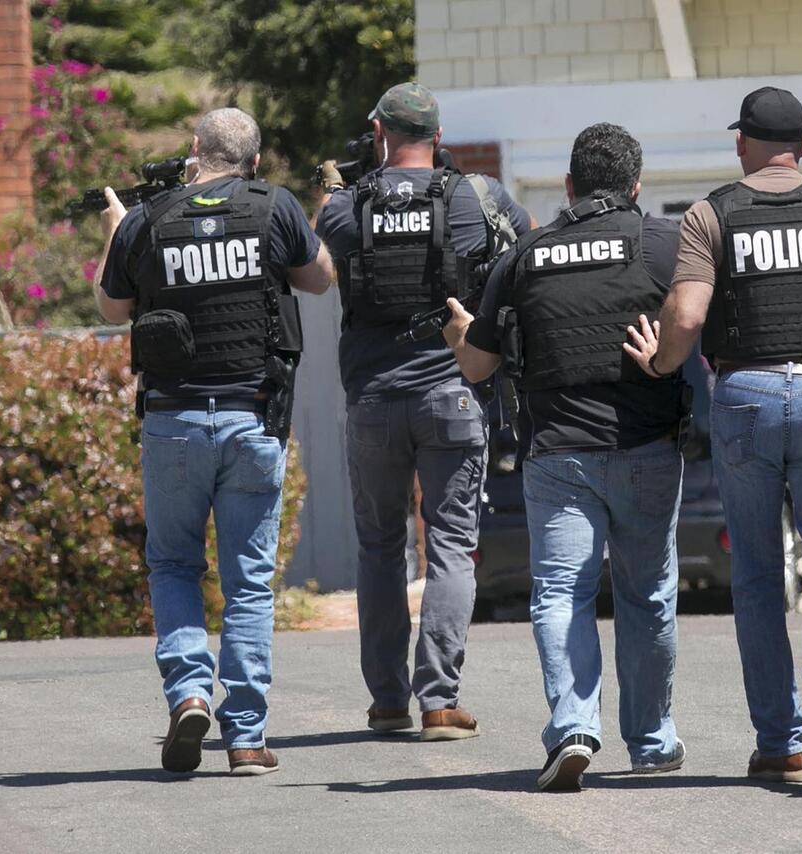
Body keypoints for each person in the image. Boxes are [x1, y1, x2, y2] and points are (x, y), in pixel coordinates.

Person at [623, 87, 802, 795]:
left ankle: (779, 744)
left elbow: (686, 316)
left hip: (746, 398)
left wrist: (659, 362)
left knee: (754, 577)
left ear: (741, 143)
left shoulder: (708, 214)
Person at [444, 123, 688, 791]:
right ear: (635, 187)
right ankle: (652, 741)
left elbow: (477, 364)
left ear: (570, 185)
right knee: (648, 597)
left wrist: (457, 326)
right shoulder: (665, 244)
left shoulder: (524, 256)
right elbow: (703, 324)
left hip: (556, 454)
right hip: (646, 448)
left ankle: (575, 726)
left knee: (560, 594)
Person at [93, 107, 334, 777]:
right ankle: (248, 739)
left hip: (172, 422)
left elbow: (112, 309)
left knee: (173, 566)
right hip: (253, 420)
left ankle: (189, 693)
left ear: (195, 150)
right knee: (248, 584)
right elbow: (321, 278)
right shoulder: (275, 207)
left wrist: (115, 238)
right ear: (253, 162)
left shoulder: (148, 219)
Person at [314, 82, 533, 740]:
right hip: (452, 394)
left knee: (380, 549)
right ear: (438, 139)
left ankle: (387, 701)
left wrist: (343, 182)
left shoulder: (345, 206)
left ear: (379, 132)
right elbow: (523, 246)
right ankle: (439, 700)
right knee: (451, 548)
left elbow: (324, 244)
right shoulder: (476, 198)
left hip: (374, 400)